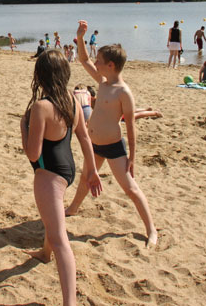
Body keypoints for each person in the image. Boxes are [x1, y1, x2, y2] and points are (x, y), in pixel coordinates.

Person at [66, 20, 158, 247]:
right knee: (86, 178)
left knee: (131, 189)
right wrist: (80, 37)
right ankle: (73, 208)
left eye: (100, 61)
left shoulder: (123, 92)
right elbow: (83, 59)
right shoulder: (103, 81)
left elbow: (130, 126)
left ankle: (151, 230)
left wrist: (133, 157)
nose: (95, 63)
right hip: (94, 144)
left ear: (112, 65)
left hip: (114, 148)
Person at [20, 50, 101, 306]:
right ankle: (45, 254)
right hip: (68, 170)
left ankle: (70, 302)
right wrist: (93, 170)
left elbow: (33, 154)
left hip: (48, 175)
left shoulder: (41, 107)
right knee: (51, 219)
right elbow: (85, 138)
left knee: (60, 239)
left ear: (40, 76)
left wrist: (24, 129)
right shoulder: (72, 100)